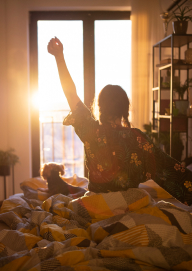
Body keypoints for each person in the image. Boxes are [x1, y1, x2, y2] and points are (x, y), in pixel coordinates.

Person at [47, 37, 192, 206]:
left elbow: (71, 94)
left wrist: (59, 56)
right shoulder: (138, 139)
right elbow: (171, 170)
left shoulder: (92, 131)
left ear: (100, 107)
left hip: (96, 206)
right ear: (125, 109)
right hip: (127, 205)